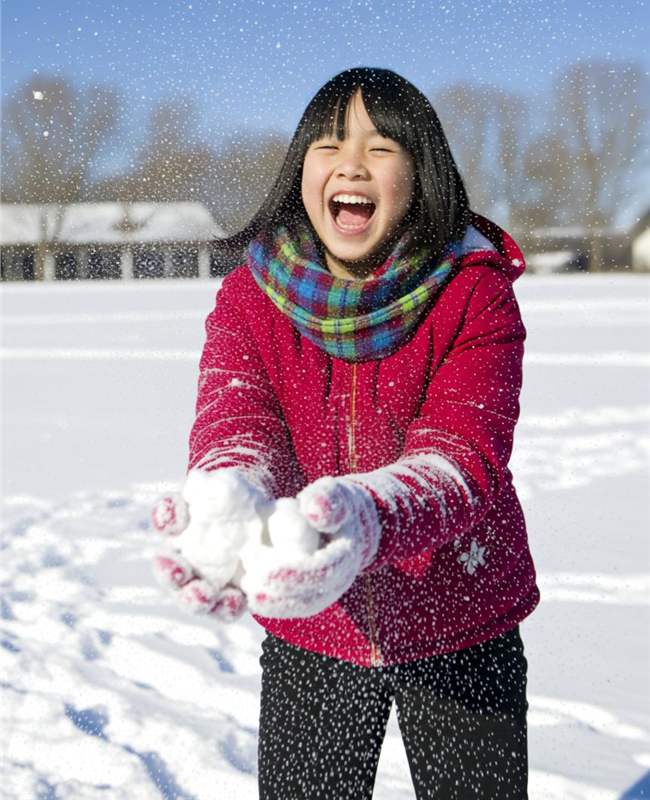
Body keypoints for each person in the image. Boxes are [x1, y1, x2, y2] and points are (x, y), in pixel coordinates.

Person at [151, 67, 539, 800]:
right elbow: (238, 418)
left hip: (463, 622)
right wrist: (228, 501)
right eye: (328, 144)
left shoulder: (474, 291)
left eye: (381, 147)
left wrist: (363, 520)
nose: (351, 164)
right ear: (301, 169)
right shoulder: (249, 296)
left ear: (421, 173)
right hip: (313, 620)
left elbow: (461, 455)